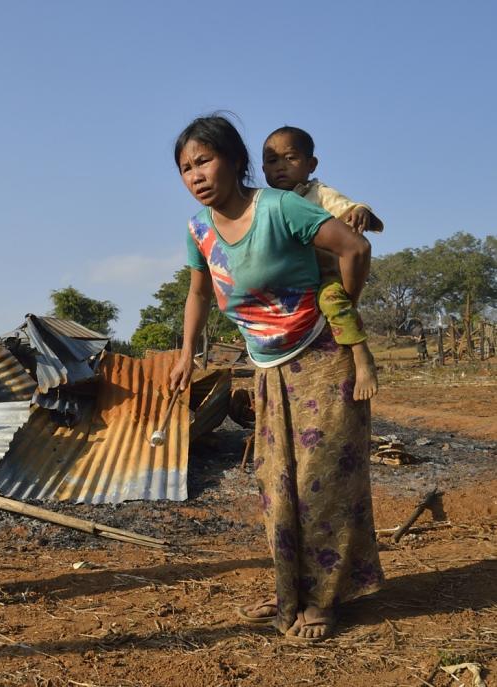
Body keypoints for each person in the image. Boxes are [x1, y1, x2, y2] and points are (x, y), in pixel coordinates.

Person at [169, 115, 384, 643]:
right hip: (269, 369)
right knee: (277, 485)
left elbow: (355, 248)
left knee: (320, 484)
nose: (195, 175)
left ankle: (322, 601)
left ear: (237, 161)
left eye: (205, 160)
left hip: (321, 359)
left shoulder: (281, 207)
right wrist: (185, 354)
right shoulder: (200, 228)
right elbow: (199, 293)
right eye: (185, 168)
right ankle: (293, 587)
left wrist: (342, 312)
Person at [262, 126, 383, 400]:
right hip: (291, 281)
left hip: (324, 275)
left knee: (332, 301)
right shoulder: (266, 202)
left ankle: (361, 354)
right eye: (272, 161)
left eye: (290, 158)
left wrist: (360, 210)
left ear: (310, 164)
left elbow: (347, 207)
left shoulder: (317, 193)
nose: (281, 167)